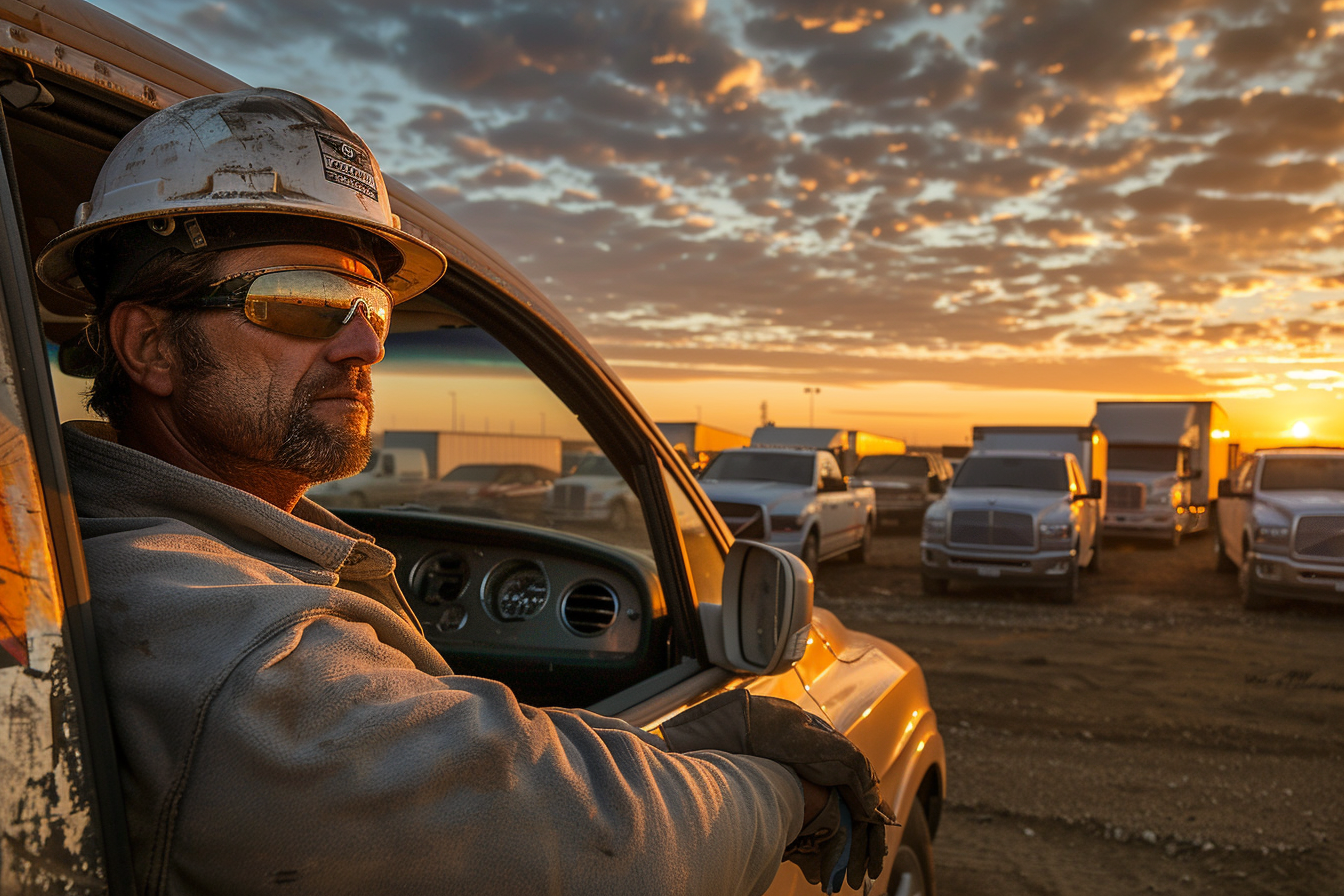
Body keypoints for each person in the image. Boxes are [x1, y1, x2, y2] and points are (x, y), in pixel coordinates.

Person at [36, 87, 889, 895]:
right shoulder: (235, 648)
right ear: (147, 346)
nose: (361, 348)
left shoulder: (102, 535)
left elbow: (476, 761)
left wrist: (707, 736)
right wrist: (786, 798)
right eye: (301, 301)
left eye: (369, 306)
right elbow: (589, 840)